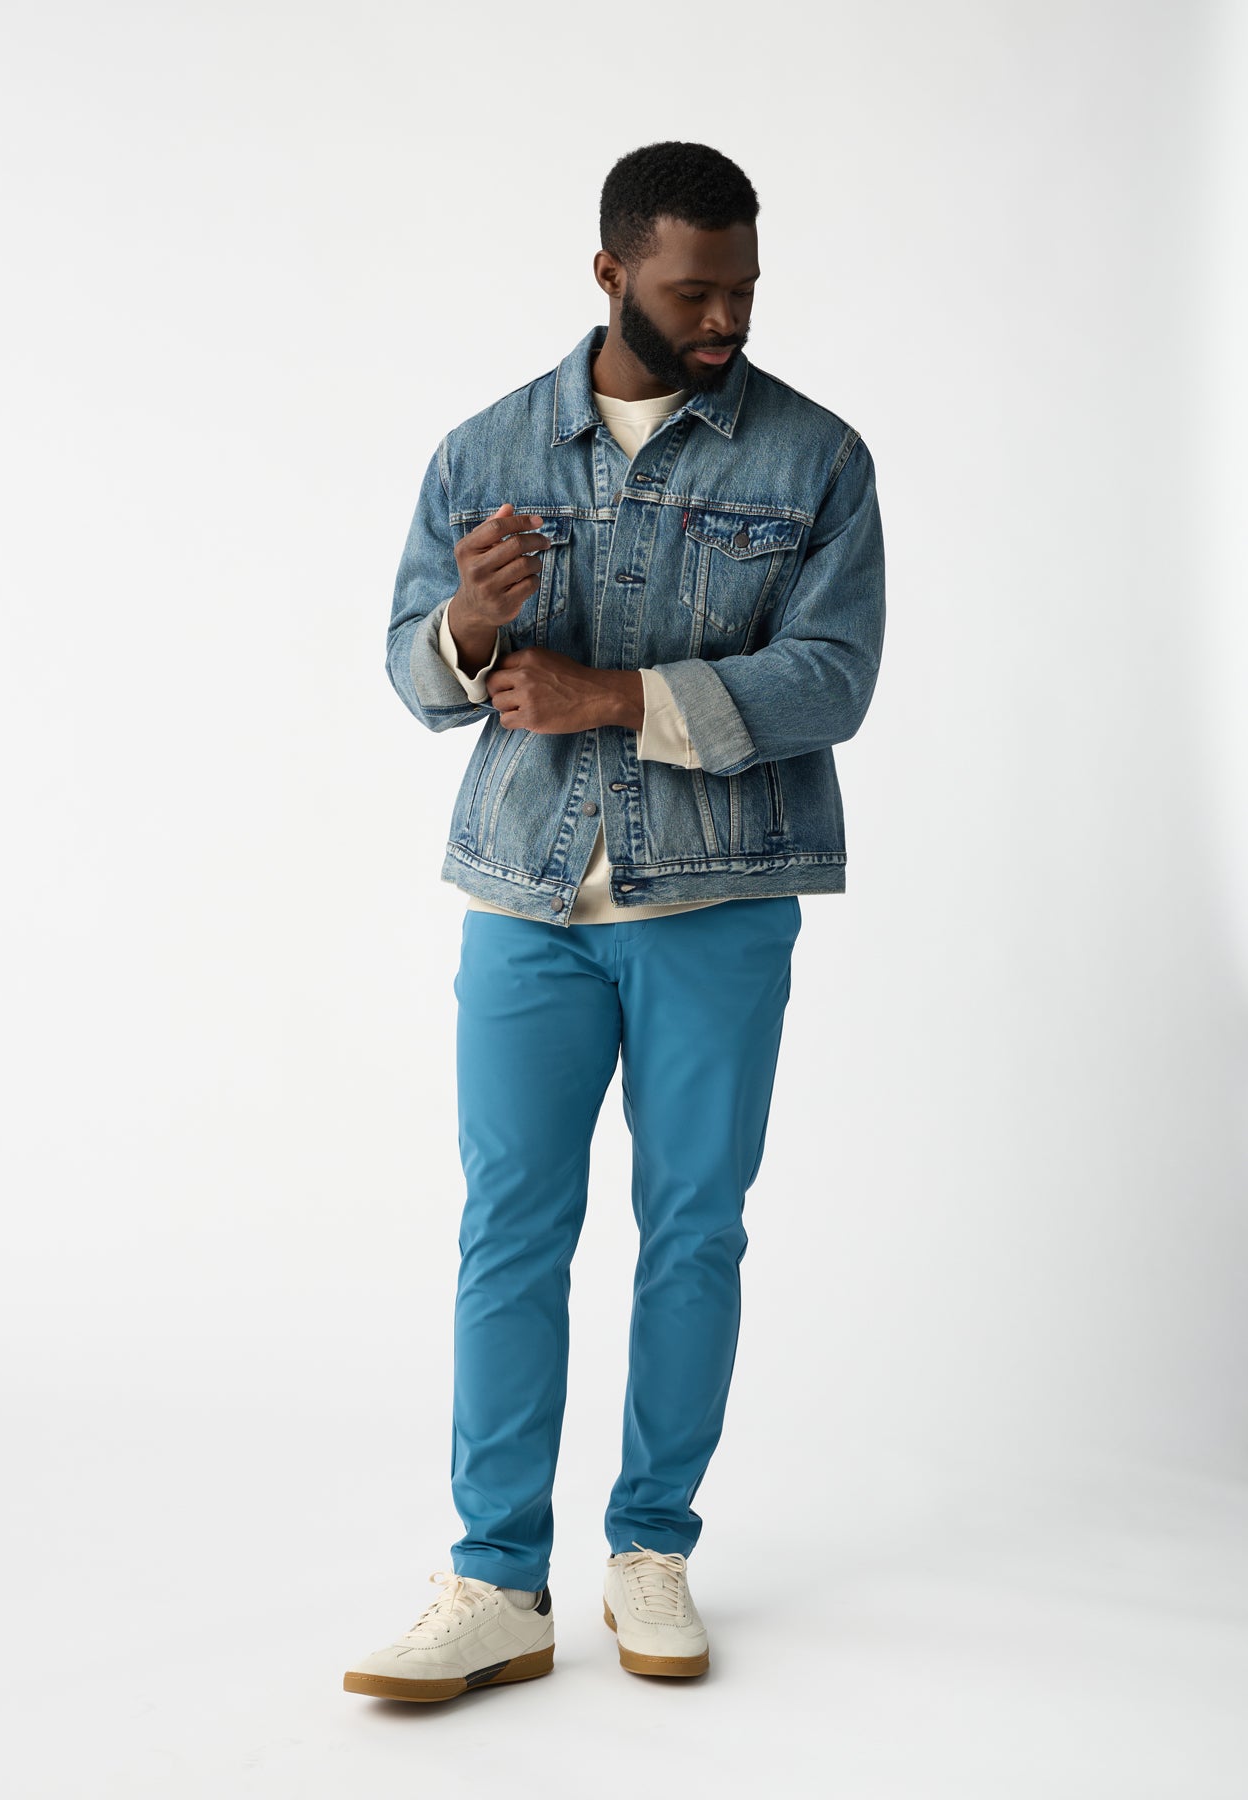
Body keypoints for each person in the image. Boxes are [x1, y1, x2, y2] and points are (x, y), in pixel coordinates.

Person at [343, 140, 885, 1703]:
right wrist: (469, 623)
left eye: (741, 291)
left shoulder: (814, 459)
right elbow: (408, 673)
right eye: (690, 291)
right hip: (523, 897)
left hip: (716, 899)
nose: (722, 320)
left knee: (691, 1227)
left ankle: (649, 1547)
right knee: (509, 1231)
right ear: (609, 274)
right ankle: (494, 1580)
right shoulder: (487, 447)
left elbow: (833, 678)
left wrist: (616, 697)